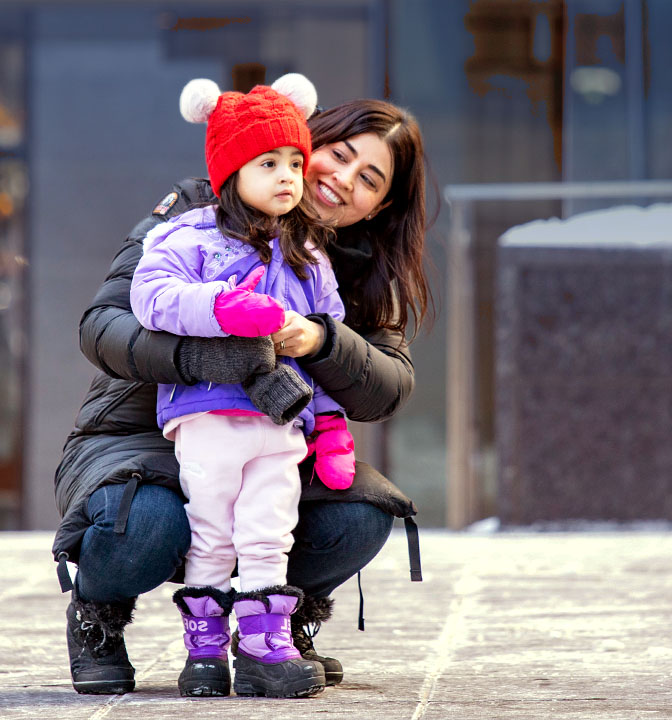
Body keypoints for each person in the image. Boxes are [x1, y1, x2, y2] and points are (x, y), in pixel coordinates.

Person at [53, 92, 430, 697]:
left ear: (378, 207)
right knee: (147, 525)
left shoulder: (357, 271)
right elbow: (103, 325)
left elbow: (387, 386)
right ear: (310, 138)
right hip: (142, 439)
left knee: (362, 514)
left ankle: (274, 626)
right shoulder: (200, 210)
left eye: (370, 179)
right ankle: (99, 614)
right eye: (338, 154)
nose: (341, 180)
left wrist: (320, 339)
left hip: (268, 444)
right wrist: (205, 354)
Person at [129, 73, 356, 699]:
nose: (287, 175)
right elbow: (151, 299)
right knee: (213, 530)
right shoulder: (189, 235)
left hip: (282, 419)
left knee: (268, 527)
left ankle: (265, 646)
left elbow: (327, 332)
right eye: (268, 163)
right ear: (231, 172)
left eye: (293, 161)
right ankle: (204, 652)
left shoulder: (308, 250)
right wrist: (224, 309)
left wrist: (331, 423)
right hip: (208, 413)